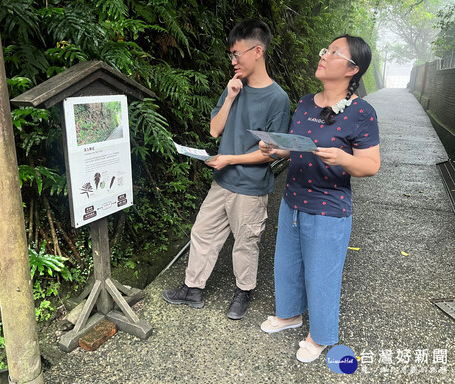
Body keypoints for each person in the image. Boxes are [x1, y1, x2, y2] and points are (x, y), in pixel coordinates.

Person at [259, 35, 380, 362]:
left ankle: (321, 335)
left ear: (352, 69)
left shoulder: (361, 113)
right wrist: (275, 147)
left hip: (329, 210)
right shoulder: (305, 103)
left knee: (322, 274)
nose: (324, 55)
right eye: (325, 48)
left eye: (334, 53)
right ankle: (289, 315)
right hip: (292, 201)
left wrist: (342, 159)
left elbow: (371, 165)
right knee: (286, 264)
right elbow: (297, 145)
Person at [162, 18, 290, 320]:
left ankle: (243, 292)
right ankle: (192, 288)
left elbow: (270, 155)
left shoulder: (278, 99)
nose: (233, 61)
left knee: (245, 243)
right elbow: (214, 131)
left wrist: (230, 159)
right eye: (231, 55)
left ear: (257, 51)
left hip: (250, 186)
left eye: (237, 54)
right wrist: (231, 96)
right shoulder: (234, 87)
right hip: (222, 181)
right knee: (203, 232)